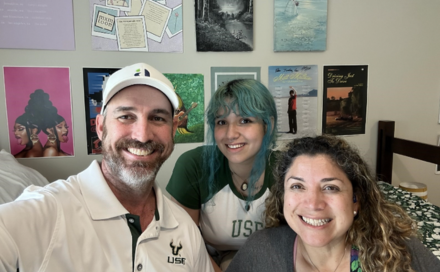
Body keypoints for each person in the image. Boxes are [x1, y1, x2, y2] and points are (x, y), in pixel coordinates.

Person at [0, 63, 214, 272]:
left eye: (157, 118)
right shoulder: (47, 211)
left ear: (173, 129)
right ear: (101, 127)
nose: (142, 135)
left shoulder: (184, 229)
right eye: (126, 116)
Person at [226, 135, 440, 272]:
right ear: (283, 197)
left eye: (330, 188)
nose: (313, 203)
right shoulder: (261, 252)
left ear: (356, 200)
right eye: (298, 186)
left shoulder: (400, 253)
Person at [167, 79, 278, 271]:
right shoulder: (194, 165)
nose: (230, 134)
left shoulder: (288, 170)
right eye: (222, 122)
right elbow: (182, 242)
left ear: (267, 125)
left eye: (245, 121)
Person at [13, 89, 47, 158]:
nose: (15, 133)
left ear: (34, 130)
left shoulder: (32, 154)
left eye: (20, 129)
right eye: (14, 129)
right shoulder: (28, 150)